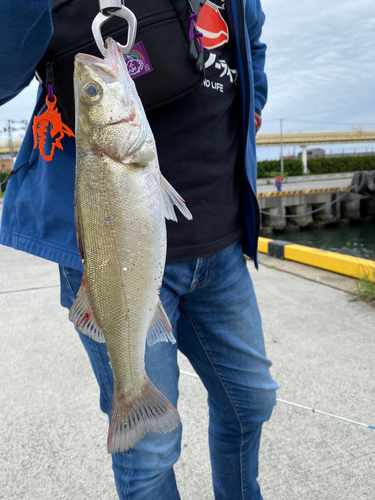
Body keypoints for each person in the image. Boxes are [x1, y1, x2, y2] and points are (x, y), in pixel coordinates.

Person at [0, 1, 278, 499]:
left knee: (252, 401)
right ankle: (133, 395)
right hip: (107, 261)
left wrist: (254, 101)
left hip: (221, 230)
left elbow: (248, 33)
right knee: (148, 454)